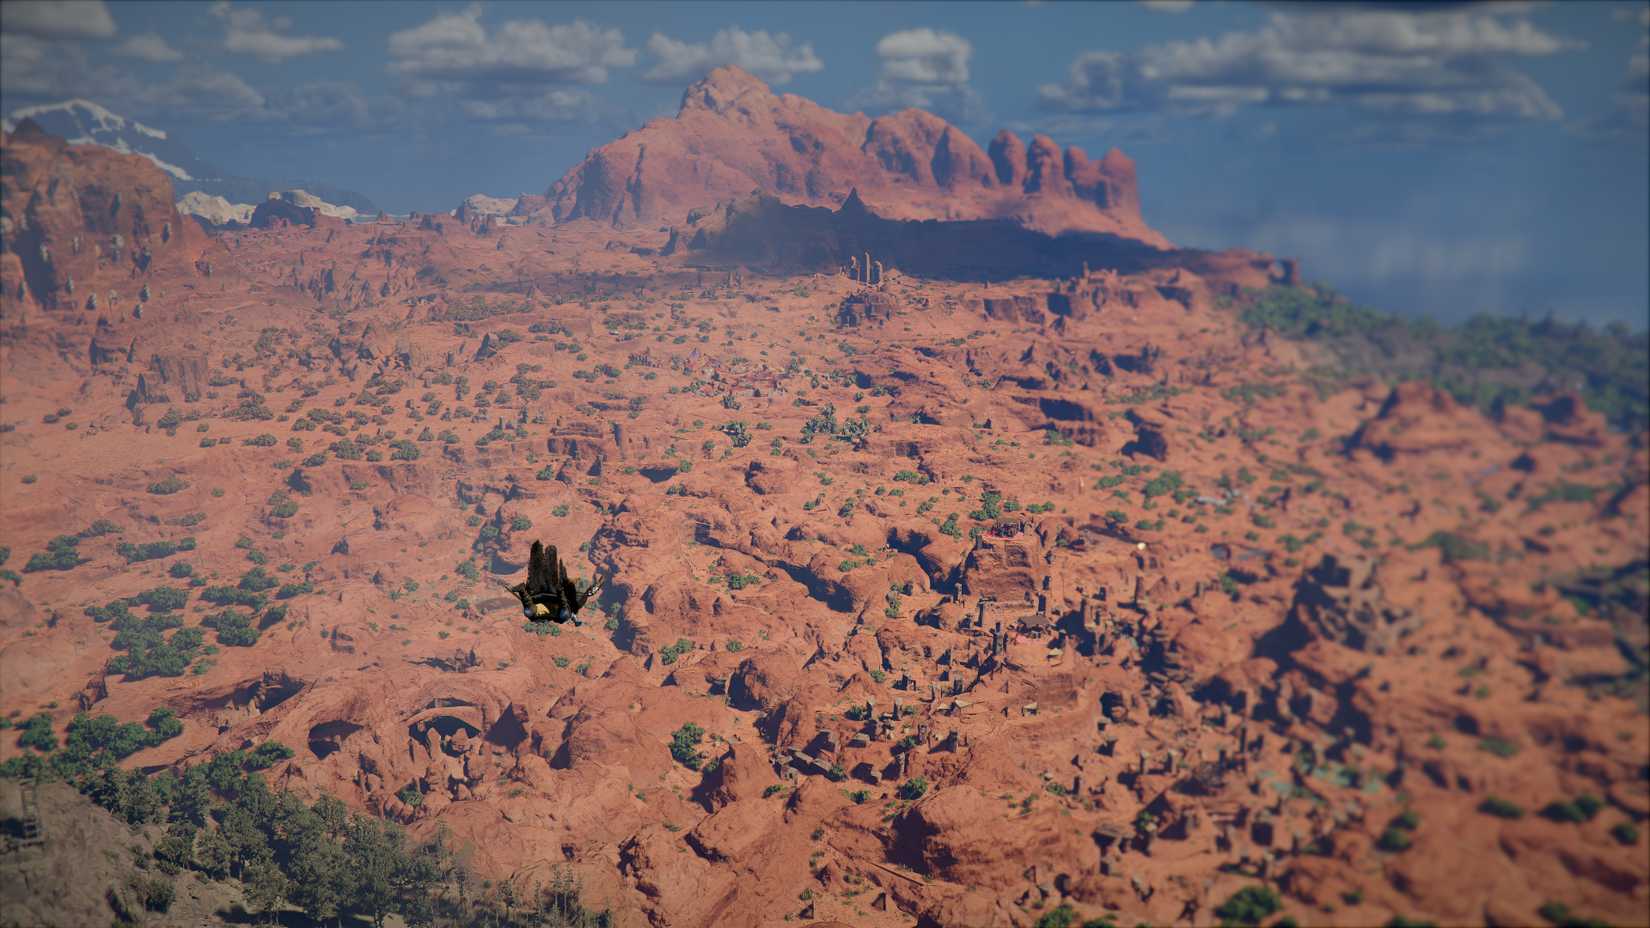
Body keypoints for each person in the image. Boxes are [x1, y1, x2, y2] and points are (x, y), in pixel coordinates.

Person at [503, 540, 606, 624]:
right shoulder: (574, 604)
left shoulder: (572, 605)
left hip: (546, 603)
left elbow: (588, 593)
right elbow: (588, 593)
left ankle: (523, 591)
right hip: (551, 602)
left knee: (532, 612)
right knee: (562, 614)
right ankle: (523, 591)